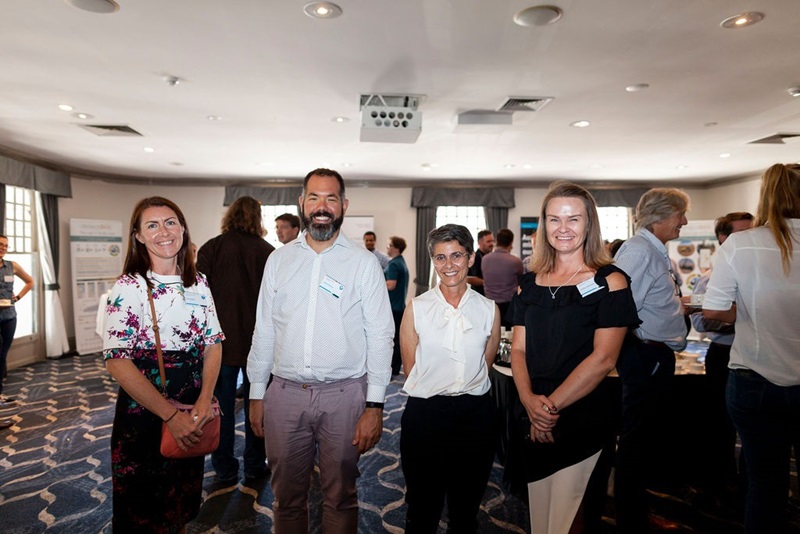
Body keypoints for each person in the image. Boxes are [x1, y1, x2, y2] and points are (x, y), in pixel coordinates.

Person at [247, 168, 394, 533]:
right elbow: (263, 330)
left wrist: (374, 405)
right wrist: (255, 394)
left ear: (343, 206)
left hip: (344, 396)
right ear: (301, 203)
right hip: (284, 395)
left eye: (331, 199)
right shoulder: (278, 261)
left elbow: (380, 335)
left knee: (341, 495)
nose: (322, 207)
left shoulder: (363, 263)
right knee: (286, 497)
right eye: (314, 198)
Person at [509, 182, 640, 533]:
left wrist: (547, 410)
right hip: (533, 412)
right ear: (544, 225)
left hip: (583, 415)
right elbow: (517, 350)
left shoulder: (611, 282)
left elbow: (603, 359)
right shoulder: (529, 284)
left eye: (573, 219)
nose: (563, 228)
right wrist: (530, 404)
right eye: (554, 219)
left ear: (589, 225)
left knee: (571, 521)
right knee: (541, 518)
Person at [103, 196, 224, 533]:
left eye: (170, 222)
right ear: (138, 236)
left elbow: (213, 344)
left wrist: (204, 402)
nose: (164, 231)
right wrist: (170, 416)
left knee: (180, 503)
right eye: (152, 225)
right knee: (143, 509)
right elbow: (117, 362)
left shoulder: (198, 282)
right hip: (146, 413)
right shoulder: (129, 287)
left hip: (192, 409)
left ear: (183, 228)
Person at [703, 163, 800, 533]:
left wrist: (750, 311)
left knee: (766, 484)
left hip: (756, 379)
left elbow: (713, 309)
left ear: (767, 196)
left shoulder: (741, 244)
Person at [399, 224, 500, 533]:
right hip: (425, 416)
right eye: (440, 257)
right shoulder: (417, 308)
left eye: (456, 255)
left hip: (475, 417)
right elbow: (410, 367)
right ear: (433, 261)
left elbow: (486, 360)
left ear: (471, 258)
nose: (449, 265)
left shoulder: (488, 309)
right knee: (422, 509)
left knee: (465, 510)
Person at [612, 187, 691, 533]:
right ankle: (631, 520)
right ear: (659, 216)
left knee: (644, 441)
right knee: (636, 441)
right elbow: (619, 307)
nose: (684, 222)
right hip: (645, 355)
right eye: (679, 215)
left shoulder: (652, 250)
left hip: (652, 354)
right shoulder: (639, 250)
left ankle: (637, 513)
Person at [196, 196, 274, 482]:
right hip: (260, 345)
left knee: (221, 408)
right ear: (258, 218)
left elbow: (198, 297)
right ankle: (255, 464)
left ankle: (224, 466)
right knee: (258, 405)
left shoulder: (211, 248)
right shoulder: (269, 252)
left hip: (220, 345)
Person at [687, 211, 753, 505]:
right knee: (719, 424)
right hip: (723, 354)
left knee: (755, 429)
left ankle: (750, 488)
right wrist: (739, 318)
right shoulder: (708, 280)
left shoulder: (763, 274)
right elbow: (700, 323)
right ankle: (717, 484)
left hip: (755, 355)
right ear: (724, 239)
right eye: (743, 233)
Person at [0, 234, 33, 428]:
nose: (2, 247)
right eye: (0, 244)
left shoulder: (12, 266)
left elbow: (30, 281)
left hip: (9, 317)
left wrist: (17, 297)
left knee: (2, 356)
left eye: (5, 245)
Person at [481, 228, 523, 327]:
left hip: (490, 304)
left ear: (497, 240)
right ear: (511, 242)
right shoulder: (515, 261)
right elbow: (522, 282)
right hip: (509, 305)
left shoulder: (485, 259)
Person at [385, 235, 409, 376]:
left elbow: (391, 285)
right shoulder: (400, 262)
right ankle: (395, 367)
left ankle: (393, 368)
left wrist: (374, 283)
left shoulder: (394, 264)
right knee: (397, 339)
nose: (387, 247)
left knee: (393, 340)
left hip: (393, 307)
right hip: (399, 306)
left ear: (396, 248)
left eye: (389, 245)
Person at [466, 230, 495, 296]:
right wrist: (487, 282)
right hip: (479, 295)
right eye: (488, 241)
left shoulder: (491, 257)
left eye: (492, 241)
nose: (491, 244)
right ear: (480, 242)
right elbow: (469, 278)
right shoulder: (475, 258)